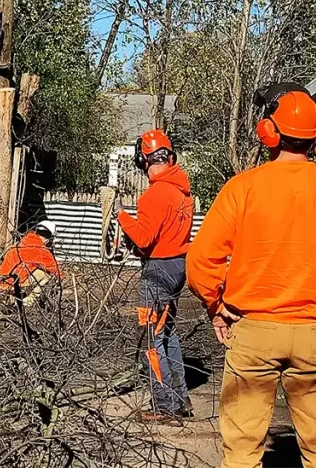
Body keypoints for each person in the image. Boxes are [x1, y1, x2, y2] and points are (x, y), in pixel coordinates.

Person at [186, 84, 316, 468]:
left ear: (268, 132)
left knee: (242, 449)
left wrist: (217, 306)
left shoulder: (242, 188)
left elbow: (201, 261)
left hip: (252, 332)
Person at [116, 129, 194, 422]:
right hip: (177, 266)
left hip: (158, 272)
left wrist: (122, 216)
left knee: (151, 339)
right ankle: (180, 398)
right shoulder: (182, 193)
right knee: (168, 334)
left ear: (144, 159)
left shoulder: (154, 195)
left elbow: (145, 238)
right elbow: (162, 237)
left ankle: (165, 406)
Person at [0, 221, 64, 307]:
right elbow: (56, 270)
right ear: (49, 238)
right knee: (46, 276)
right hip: (13, 285)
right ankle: (26, 302)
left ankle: (12, 298)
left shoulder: (21, 243)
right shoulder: (40, 248)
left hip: (1, 283)